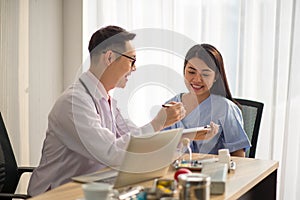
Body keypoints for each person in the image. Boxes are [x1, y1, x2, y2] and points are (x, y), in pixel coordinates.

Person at [27, 25, 186, 196]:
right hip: (57, 194)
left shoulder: (106, 100)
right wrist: (157, 123)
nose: (134, 68)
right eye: (132, 60)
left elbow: (131, 140)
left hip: (89, 188)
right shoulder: (74, 102)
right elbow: (111, 153)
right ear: (110, 57)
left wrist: (173, 139)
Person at [164, 44, 251, 157]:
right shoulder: (171, 106)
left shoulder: (225, 108)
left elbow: (238, 157)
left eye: (205, 74)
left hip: (211, 173)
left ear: (215, 77)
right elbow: (158, 147)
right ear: (184, 71)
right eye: (191, 72)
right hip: (174, 173)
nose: (197, 79)